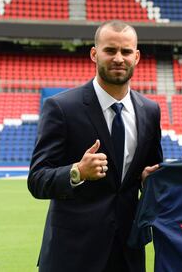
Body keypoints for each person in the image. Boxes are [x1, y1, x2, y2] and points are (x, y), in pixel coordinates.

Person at [27, 20, 162, 272]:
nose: (119, 58)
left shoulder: (150, 111)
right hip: (73, 253)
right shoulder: (61, 108)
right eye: (110, 50)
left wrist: (148, 180)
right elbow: (37, 179)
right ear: (94, 53)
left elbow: (150, 174)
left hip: (128, 253)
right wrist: (77, 172)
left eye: (126, 51)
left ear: (137, 56)